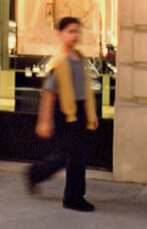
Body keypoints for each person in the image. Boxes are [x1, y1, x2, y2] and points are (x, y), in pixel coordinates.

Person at [27, 16, 100, 212]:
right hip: (64, 113)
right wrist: (45, 120)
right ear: (60, 35)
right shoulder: (59, 62)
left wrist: (91, 114)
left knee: (69, 155)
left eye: (77, 31)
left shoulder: (80, 58)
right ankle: (73, 198)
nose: (74, 35)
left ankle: (36, 173)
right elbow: (50, 94)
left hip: (80, 111)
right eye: (70, 31)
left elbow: (85, 89)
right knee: (74, 156)